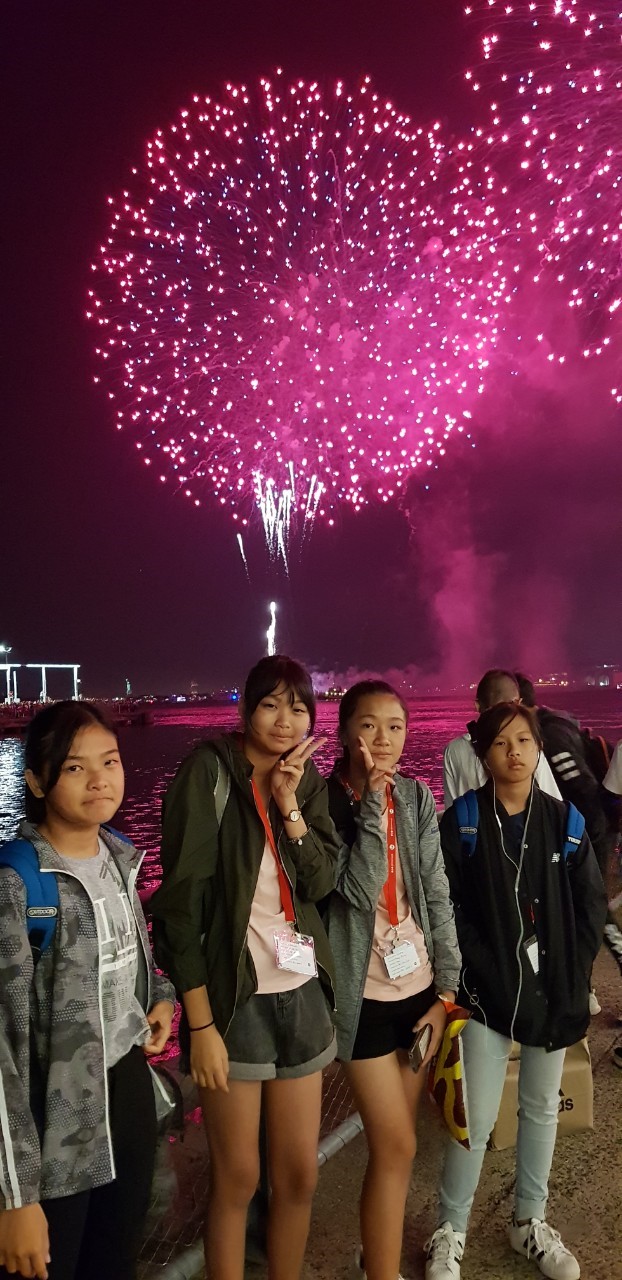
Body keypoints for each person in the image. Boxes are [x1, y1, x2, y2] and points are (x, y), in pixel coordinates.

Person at [150, 655, 339, 1280]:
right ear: (245, 709)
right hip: (236, 1002)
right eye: (270, 704)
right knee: (237, 1177)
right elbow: (179, 908)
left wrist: (289, 804)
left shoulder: (305, 778)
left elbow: (320, 881)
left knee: (299, 1175)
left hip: (301, 992)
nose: (285, 720)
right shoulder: (208, 773)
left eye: (298, 707)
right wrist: (200, 1025)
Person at [426, 702, 607, 1280]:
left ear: (537, 748)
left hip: (552, 991)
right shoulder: (464, 821)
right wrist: (482, 971)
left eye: (525, 741)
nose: (515, 752)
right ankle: (450, 1229)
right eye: (501, 742)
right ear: (482, 753)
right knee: (475, 1119)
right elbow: (446, 907)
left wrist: (572, 974)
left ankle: (529, 1221)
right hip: (487, 996)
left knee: (541, 1108)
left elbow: (590, 906)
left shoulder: (564, 821)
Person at [0, 701, 175, 1280]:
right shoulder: (17, 884)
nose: (100, 779)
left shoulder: (118, 856)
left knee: (115, 1260)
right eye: (75, 767)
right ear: (36, 781)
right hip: (54, 1117)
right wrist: (15, 1197)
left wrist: (160, 997)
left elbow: (133, 955)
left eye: (111, 761)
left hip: (125, 1089)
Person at [325, 680, 461, 1280]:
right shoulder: (323, 802)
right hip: (362, 999)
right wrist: (370, 806)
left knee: (398, 1146)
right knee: (397, 1143)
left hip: (418, 989)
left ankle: (376, 1258)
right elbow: (356, 892)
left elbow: (435, 890)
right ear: (343, 733)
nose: (383, 738)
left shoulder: (416, 796)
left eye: (396, 726)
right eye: (369, 725)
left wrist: (447, 991)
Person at [443, 669, 561, 808]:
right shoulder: (528, 747)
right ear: (518, 703)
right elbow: (553, 802)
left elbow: (451, 808)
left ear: (478, 706)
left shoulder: (454, 750)